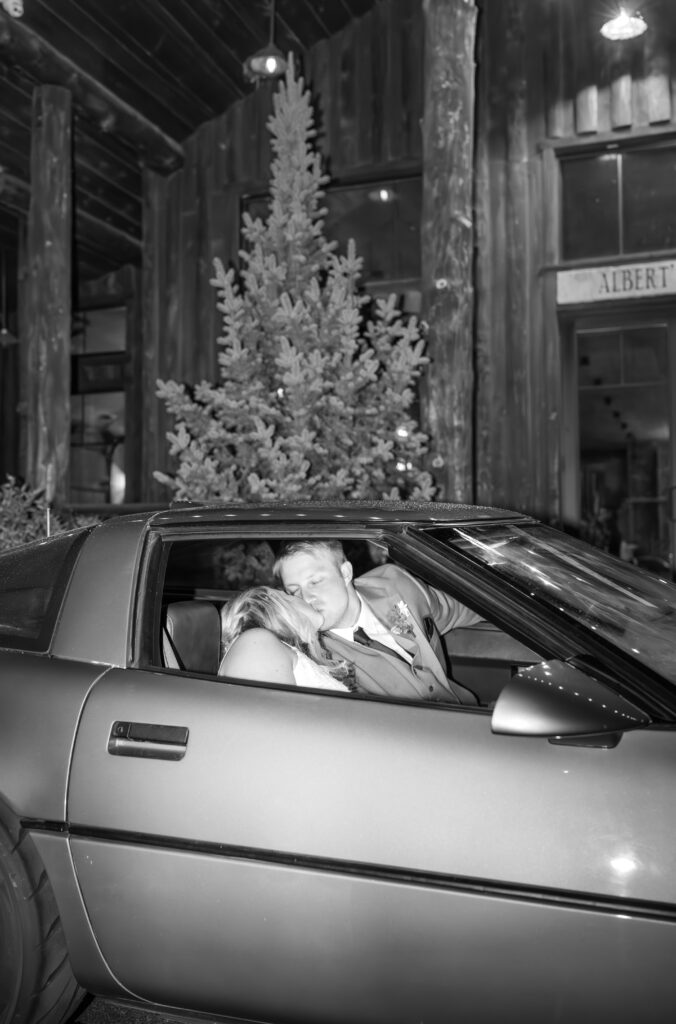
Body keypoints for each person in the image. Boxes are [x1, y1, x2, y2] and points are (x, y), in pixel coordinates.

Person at [274, 540, 481, 704]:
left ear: (345, 573)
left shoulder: (394, 584)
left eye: (315, 582)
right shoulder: (312, 654)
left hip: (464, 712)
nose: (306, 598)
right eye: (294, 591)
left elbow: (463, 607)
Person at [219, 586, 351, 692]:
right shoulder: (256, 645)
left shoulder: (269, 650)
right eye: (290, 594)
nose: (305, 598)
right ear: (275, 606)